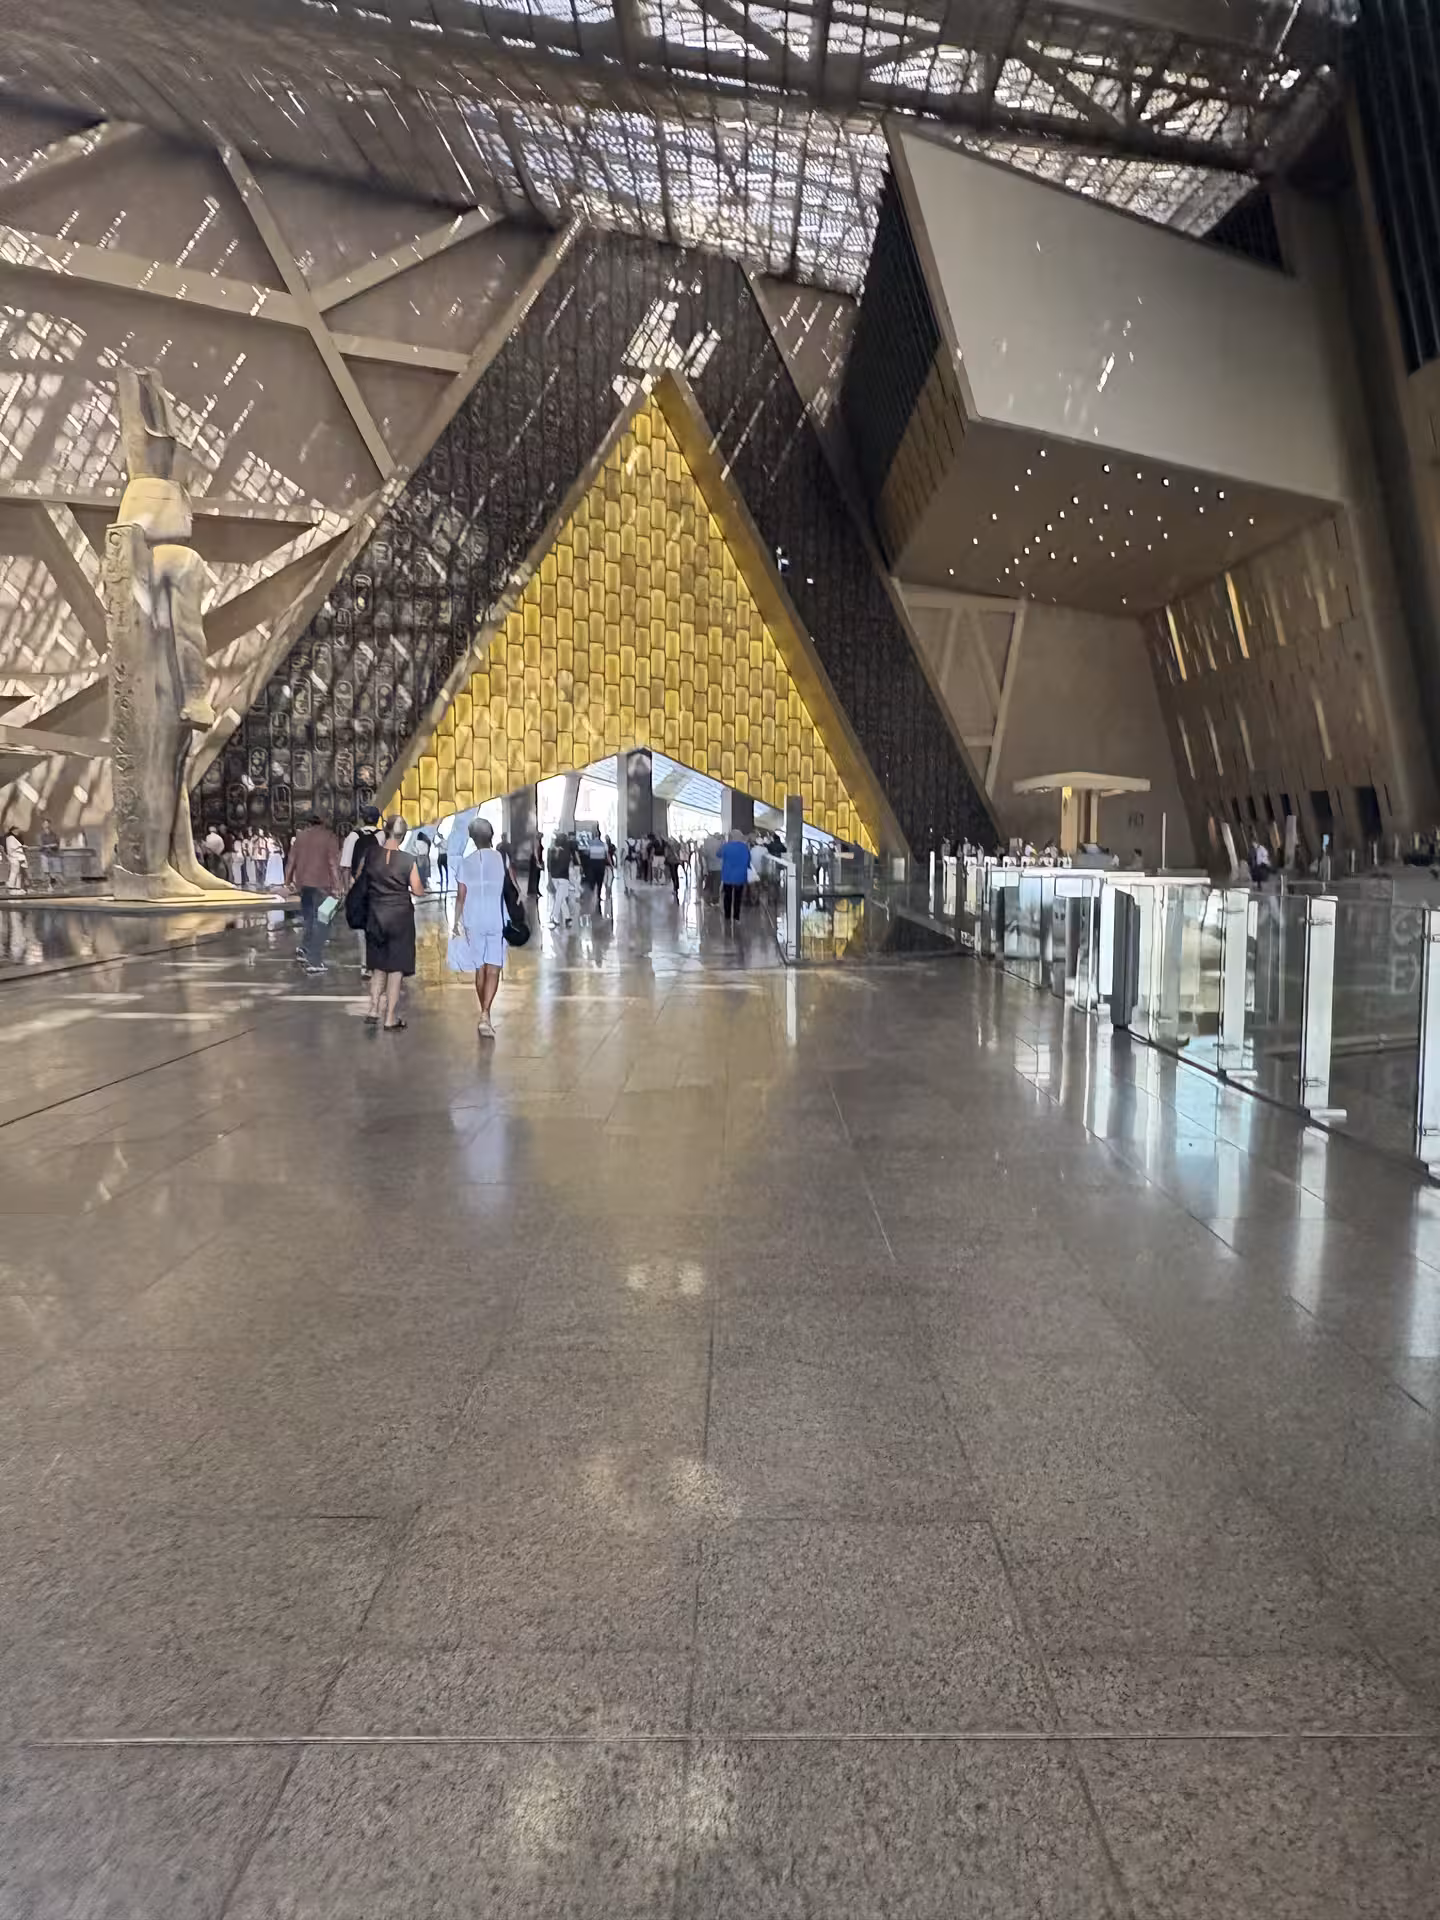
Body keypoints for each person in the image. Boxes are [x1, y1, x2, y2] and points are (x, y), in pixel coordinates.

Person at [362, 815, 423, 1030]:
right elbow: (417, 889)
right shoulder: (407, 860)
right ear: (403, 835)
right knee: (396, 970)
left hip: (375, 915)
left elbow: (363, 878)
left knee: (378, 966)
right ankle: (390, 1018)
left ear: (385, 830)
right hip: (400, 918)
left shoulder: (372, 854)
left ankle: (372, 1009)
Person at [452, 816, 510, 1038]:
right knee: (494, 966)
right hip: (497, 918)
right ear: (491, 836)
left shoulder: (466, 863)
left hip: (473, 919)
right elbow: (511, 884)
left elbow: (461, 896)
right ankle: (486, 1013)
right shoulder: (501, 858)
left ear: (472, 838)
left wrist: (456, 921)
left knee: (480, 968)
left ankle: (483, 1013)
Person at [285, 812, 341, 972]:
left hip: (304, 884)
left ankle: (304, 948)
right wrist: (337, 886)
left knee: (309, 918)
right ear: (323, 821)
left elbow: (291, 860)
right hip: (322, 884)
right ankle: (314, 960)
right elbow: (332, 863)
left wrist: (288, 882)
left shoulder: (300, 837)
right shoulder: (329, 837)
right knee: (322, 922)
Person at [342, 804, 383, 974]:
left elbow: (345, 866)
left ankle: (365, 965)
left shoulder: (352, 836)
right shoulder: (382, 836)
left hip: (357, 885)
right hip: (377, 885)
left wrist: (347, 889)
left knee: (361, 927)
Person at [720, 828, 750, 924]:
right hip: (740, 876)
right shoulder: (744, 847)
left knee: (727, 896)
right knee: (738, 897)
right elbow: (749, 860)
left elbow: (718, 854)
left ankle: (727, 916)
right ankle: (736, 917)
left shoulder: (726, 846)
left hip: (727, 876)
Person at [547, 831, 574, 928]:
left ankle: (555, 918)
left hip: (555, 877)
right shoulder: (567, 852)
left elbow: (549, 865)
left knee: (559, 897)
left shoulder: (552, 850)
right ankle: (566, 918)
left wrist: (549, 878)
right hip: (563, 878)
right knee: (560, 898)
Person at [3, 824, 26, 891]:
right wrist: (22, 846)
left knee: (18, 872)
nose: (18, 832)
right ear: (13, 830)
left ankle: (17, 886)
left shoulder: (14, 838)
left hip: (17, 856)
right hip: (13, 856)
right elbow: (13, 846)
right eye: (16, 830)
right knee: (14, 871)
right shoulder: (10, 838)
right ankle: (11, 884)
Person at [434, 831, 450, 897]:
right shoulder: (441, 842)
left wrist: (440, 845)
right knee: (442, 868)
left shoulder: (444, 841)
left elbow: (446, 848)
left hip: (443, 856)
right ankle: (443, 879)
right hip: (441, 856)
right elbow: (435, 846)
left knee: (445, 869)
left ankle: (444, 879)